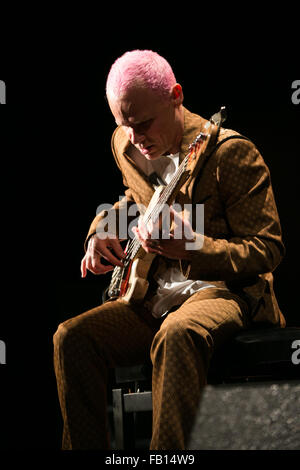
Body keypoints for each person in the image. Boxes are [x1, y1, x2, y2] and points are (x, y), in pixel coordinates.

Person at [53, 50, 286, 450]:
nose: (135, 138)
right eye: (123, 125)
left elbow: (266, 249)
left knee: (177, 333)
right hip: (154, 293)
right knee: (71, 338)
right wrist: (103, 230)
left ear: (176, 96)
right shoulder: (126, 144)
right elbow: (137, 196)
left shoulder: (231, 153)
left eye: (142, 124)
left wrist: (191, 247)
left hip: (223, 290)